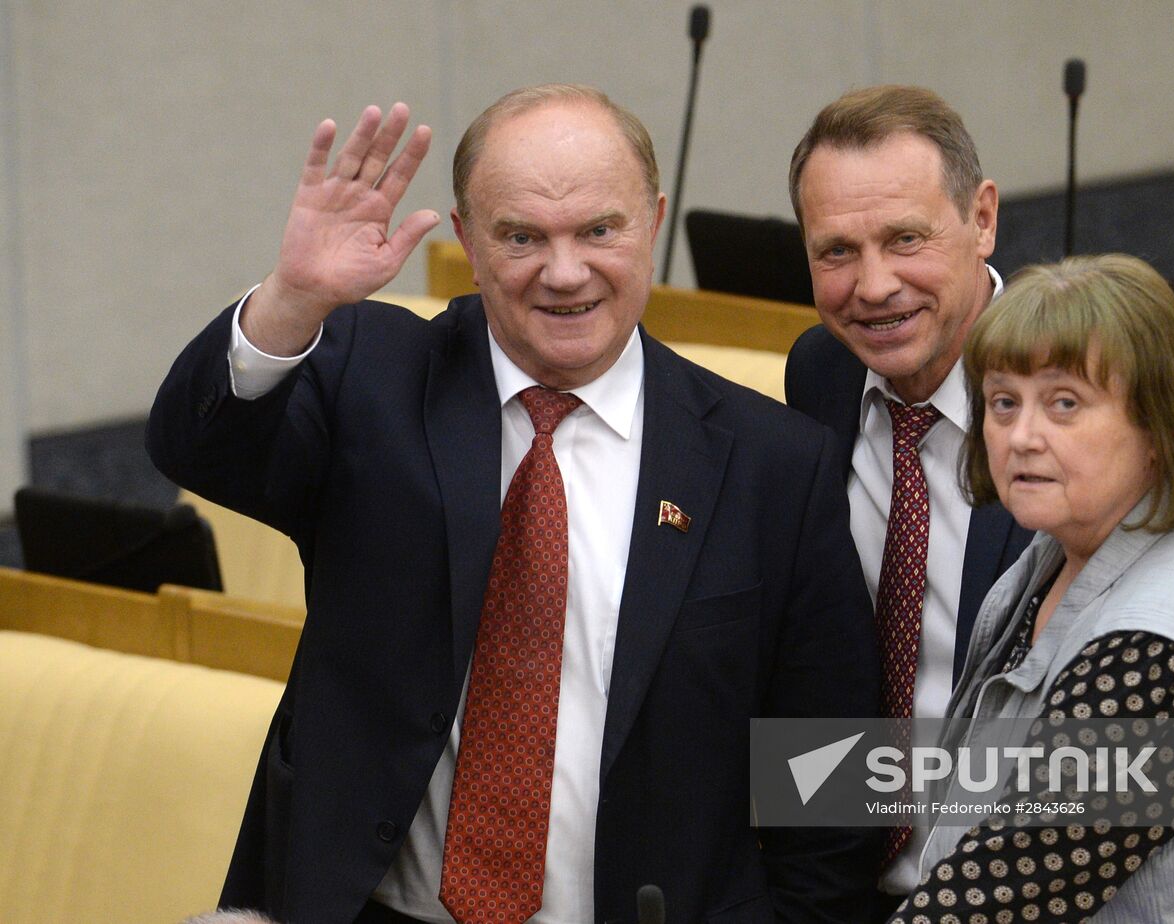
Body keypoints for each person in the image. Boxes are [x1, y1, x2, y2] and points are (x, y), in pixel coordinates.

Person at [148, 85, 880, 924]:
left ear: (653, 220)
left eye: (599, 230)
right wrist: (292, 298)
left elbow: (831, 786)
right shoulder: (371, 377)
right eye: (522, 236)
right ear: (467, 236)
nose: (564, 273)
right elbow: (193, 445)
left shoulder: (774, 463)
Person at [782, 85, 1174, 909]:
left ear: (982, 218)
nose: (874, 285)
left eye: (905, 239)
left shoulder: (1131, 400)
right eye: (836, 252)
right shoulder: (821, 374)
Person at [890, 253, 1174, 922]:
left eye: (1065, 404)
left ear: (1159, 427)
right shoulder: (1172, 544)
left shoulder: (1147, 653)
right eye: (1004, 402)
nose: (1022, 437)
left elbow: (991, 900)